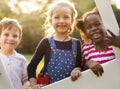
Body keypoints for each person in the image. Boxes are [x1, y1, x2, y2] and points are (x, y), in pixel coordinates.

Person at [27, 1, 83, 89]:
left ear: (72, 21)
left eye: (66, 17)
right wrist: (34, 85)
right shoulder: (46, 42)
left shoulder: (77, 43)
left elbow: (79, 65)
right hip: (47, 86)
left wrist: (77, 69)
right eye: (57, 17)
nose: (61, 21)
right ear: (50, 21)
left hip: (70, 87)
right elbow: (31, 66)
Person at [75, 7, 116, 77]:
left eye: (97, 24)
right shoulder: (86, 48)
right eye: (89, 27)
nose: (93, 29)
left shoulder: (114, 43)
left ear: (105, 25)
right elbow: (83, 69)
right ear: (85, 31)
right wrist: (88, 63)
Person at [0, 17, 29, 89]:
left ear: (19, 40)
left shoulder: (21, 59)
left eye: (15, 36)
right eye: (6, 34)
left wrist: (25, 86)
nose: (11, 38)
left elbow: (26, 80)